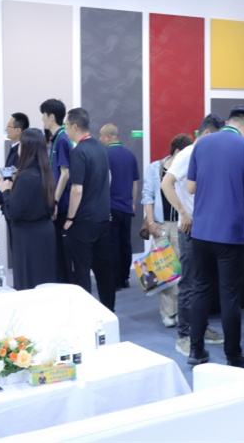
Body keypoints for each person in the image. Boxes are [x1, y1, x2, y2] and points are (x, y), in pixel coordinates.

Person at [186, 106, 244, 369]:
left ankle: (196, 350)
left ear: (228, 121)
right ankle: (233, 355)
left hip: (201, 232)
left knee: (201, 289)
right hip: (229, 233)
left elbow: (190, 187)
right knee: (230, 296)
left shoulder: (202, 143)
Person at [161, 115, 225, 357]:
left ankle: (200, 327)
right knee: (189, 283)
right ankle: (185, 336)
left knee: (204, 284)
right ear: (207, 134)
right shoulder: (188, 155)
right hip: (189, 229)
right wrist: (183, 212)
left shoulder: (208, 155)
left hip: (207, 229)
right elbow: (166, 184)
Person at [63, 107, 115, 311]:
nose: (66, 129)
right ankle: (109, 311)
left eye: (67, 125)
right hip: (102, 219)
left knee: (81, 270)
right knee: (104, 269)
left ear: (75, 126)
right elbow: (108, 178)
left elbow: (77, 189)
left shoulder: (78, 152)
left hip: (84, 221)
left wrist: (70, 218)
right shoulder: (100, 147)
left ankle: (85, 313)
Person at [142, 133, 193, 328]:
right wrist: (151, 223)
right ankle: (168, 312)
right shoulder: (155, 169)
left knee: (181, 270)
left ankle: (181, 310)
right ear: (177, 152)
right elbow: (147, 197)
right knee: (163, 270)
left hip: (181, 224)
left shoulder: (187, 169)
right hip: (161, 225)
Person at [0, 128, 57, 290]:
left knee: (28, 283)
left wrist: (6, 191)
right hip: (45, 233)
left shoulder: (25, 177)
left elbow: (13, 211)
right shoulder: (46, 173)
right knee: (45, 281)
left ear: (26, 148)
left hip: (28, 237)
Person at [99, 122, 140, 290]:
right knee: (125, 243)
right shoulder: (130, 155)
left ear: (108, 137)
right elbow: (135, 183)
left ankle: (115, 281)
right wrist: (132, 203)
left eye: (101, 136)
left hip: (111, 207)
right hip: (126, 207)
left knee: (113, 244)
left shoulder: (105, 156)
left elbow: (102, 183)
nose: (100, 139)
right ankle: (125, 277)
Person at [41, 98, 73, 282]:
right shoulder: (56, 139)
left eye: (44, 116)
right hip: (59, 203)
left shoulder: (62, 139)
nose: (42, 120)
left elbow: (65, 174)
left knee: (62, 251)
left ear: (51, 116)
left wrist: (55, 201)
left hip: (62, 205)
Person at [0, 112, 28, 260]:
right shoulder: (13, 150)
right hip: (8, 203)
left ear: (18, 130)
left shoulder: (22, 153)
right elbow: (7, 178)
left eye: (9, 126)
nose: (6, 129)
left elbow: (14, 182)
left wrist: (0, 197)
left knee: (19, 250)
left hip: (16, 207)